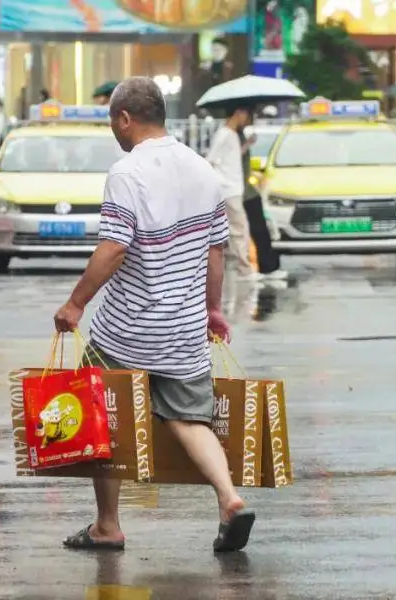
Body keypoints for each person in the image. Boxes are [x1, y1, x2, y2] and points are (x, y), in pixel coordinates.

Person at [52, 77, 254, 553]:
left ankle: (107, 525)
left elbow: (115, 246)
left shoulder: (127, 172)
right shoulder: (203, 170)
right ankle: (228, 498)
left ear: (125, 118)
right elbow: (216, 251)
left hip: (126, 329)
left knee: (103, 419)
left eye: (111, 121)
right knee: (190, 419)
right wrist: (212, 310)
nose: (113, 130)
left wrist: (76, 302)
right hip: (183, 329)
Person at [206, 104, 255, 280]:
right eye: (246, 116)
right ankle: (244, 269)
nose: (247, 120)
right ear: (239, 113)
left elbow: (231, 158)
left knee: (234, 229)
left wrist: (247, 145)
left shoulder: (232, 135)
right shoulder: (224, 134)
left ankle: (235, 266)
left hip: (234, 188)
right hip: (228, 189)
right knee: (240, 229)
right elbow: (210, 160)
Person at [239, 125, 284, 281]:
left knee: (258, 230)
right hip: (241, 193)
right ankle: (261, 268)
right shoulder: (228, 136)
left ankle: (267, 266)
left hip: (247, 191)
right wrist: (246, 145)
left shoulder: (238, 134)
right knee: (253, 230)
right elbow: (226, 159)